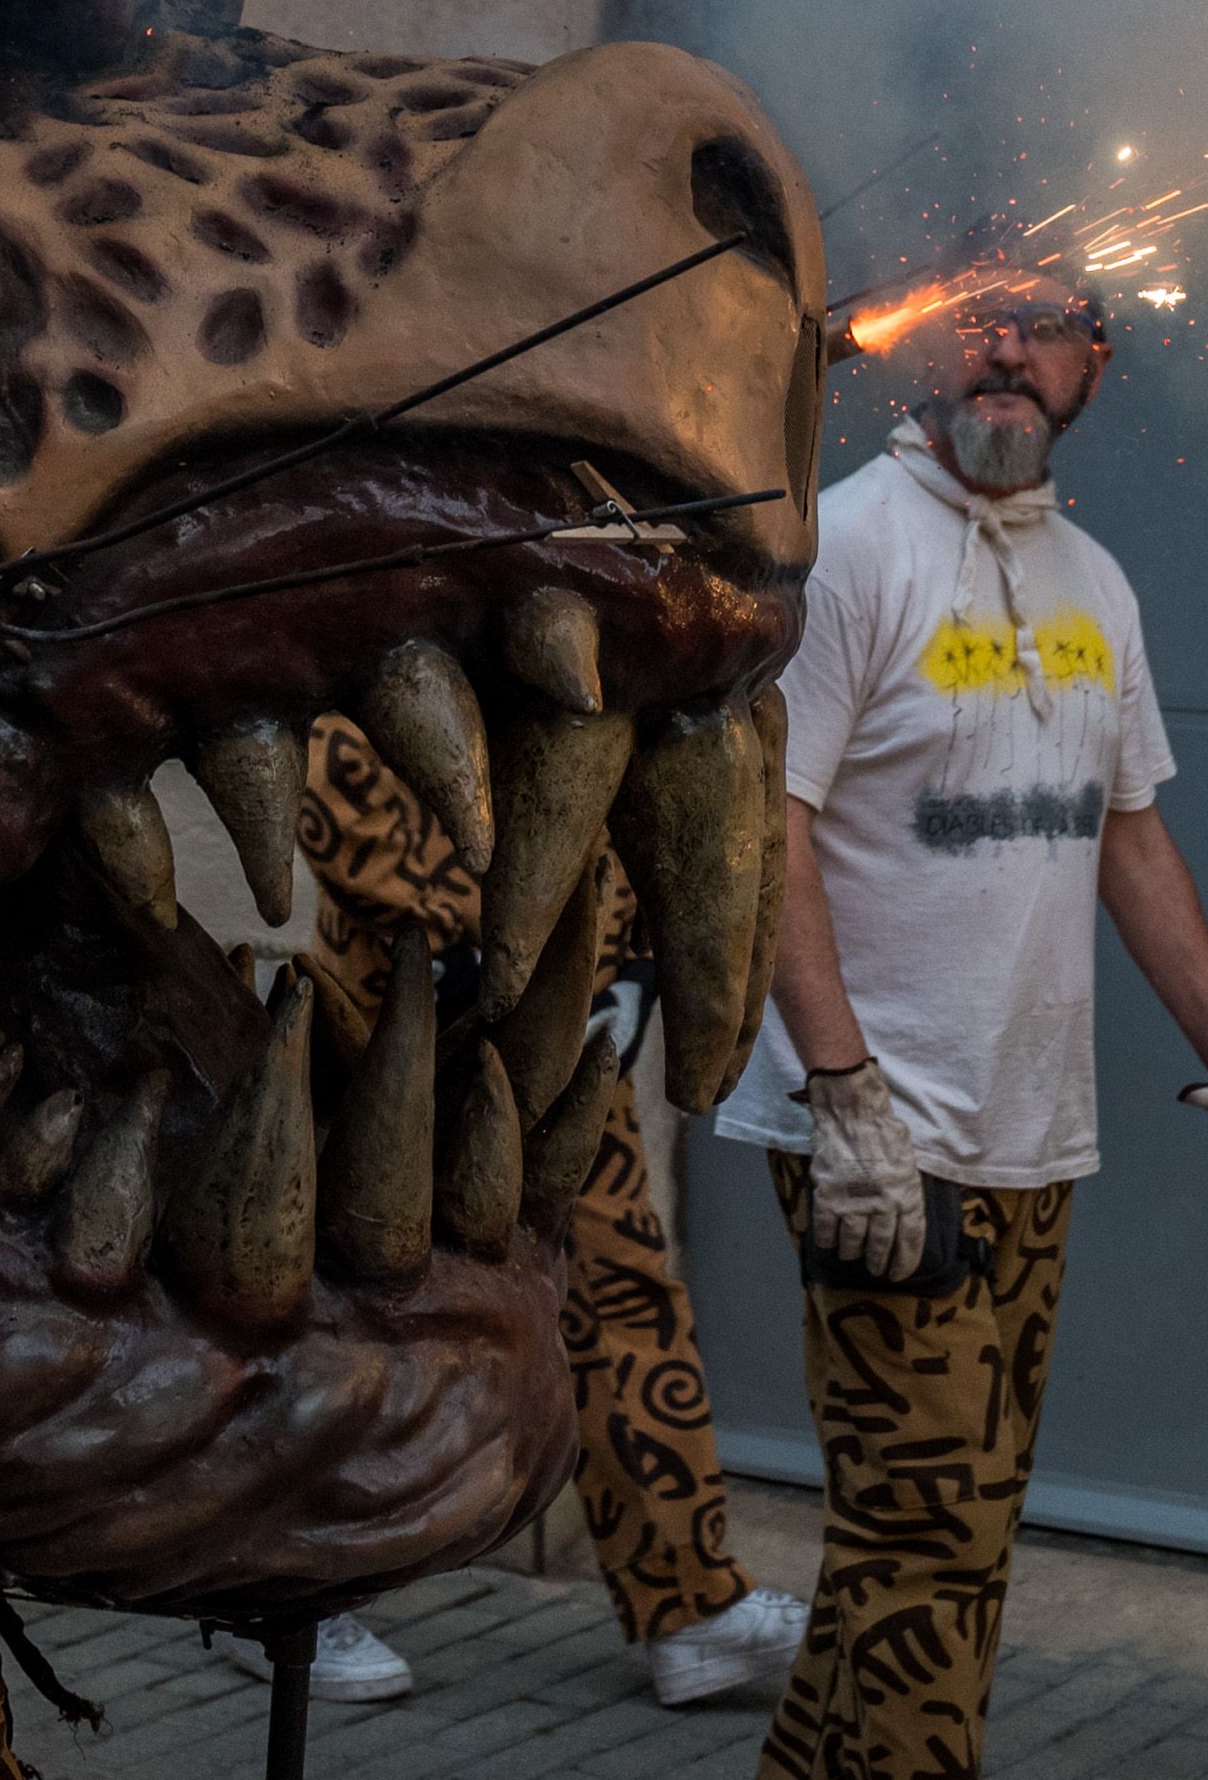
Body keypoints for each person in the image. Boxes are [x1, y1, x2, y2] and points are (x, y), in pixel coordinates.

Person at [715, 249, 1208, 1780]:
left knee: (946, 1528)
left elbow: (1129, 834)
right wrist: (843, 1096)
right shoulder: (850, 551)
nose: (1009, 354)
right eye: (982, 324)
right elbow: (766, 826)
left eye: (1046, 330)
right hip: (882, 1138)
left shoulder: (1093, 583)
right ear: (926, 350)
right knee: (928, 1537)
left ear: (1095, 369)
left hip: (1033, 1136)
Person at [219, 727, 812, 1706]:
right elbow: (332, 763)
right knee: (335, 1293)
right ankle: (279, 1595)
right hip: (396, 1010)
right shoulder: (405, 582)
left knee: (619, 1283)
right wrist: (498, 930)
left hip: (563, 1017)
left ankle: (688, 1603)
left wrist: (617, 938)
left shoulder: (611, 589)